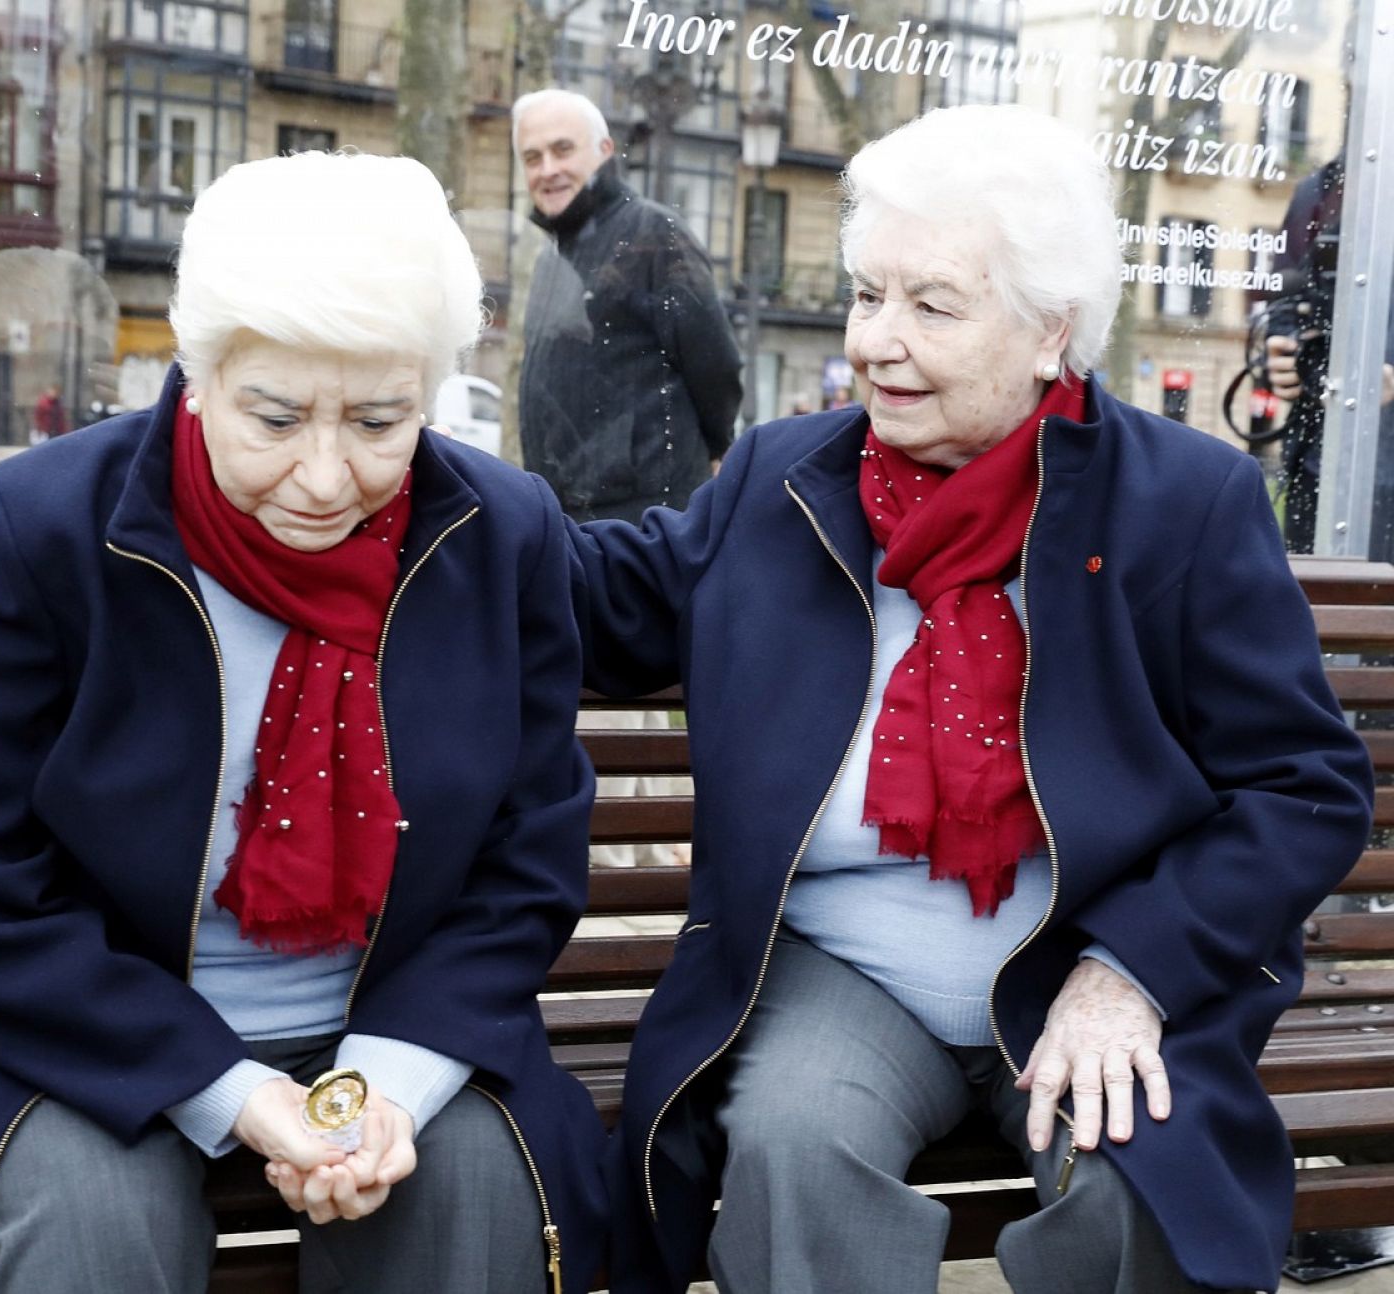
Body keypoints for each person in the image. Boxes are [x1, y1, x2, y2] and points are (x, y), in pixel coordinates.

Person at [565, 104, 1375, 1294]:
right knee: (793, 1144)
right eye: (865, 295)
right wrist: (394, 460)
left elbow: (1303, 788)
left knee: (1133, 1189)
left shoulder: (1178, 503)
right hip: (843, 969)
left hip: (1082, 953)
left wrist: (1133, 971)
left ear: (1051, 332)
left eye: (930, 305)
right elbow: (591, 596)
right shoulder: (784, 479)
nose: (876, 343)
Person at [0, 151, 607, 1294]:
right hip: (55, 1019)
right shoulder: (39, 530)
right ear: (196, 373)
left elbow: (526, 855)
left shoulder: (504, 531)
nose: (325, 477)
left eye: (380, 421)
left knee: (468, 1188)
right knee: (98, 1219)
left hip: (377, 1021)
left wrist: (385, 1084)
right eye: (274, 416)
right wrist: (233, 1093)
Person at [512, 88, 742, 526]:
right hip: (571, 522)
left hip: (643, 526)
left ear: (604, 151)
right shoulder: (550, 259)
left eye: (562, 149)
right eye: (532, 158)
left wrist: (717, 449)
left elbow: (715, 363)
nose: (548, 169)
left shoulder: (654, 232)